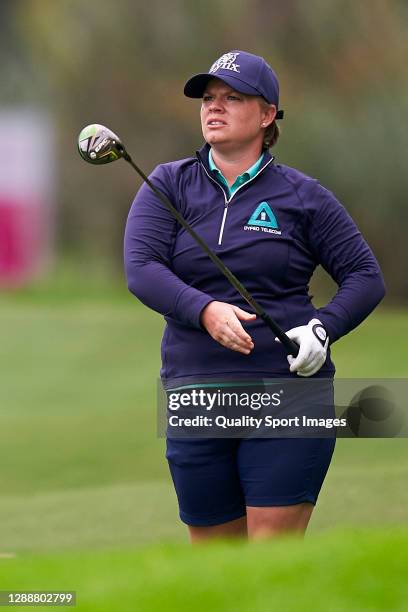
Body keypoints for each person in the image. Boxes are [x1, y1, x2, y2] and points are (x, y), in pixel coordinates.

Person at [124, 50, 385, 543]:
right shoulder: (167, 184)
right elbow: (142, 269)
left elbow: (365, 276)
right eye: (208, 98)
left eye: (233, 98)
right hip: (197, 395)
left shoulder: (302, 195)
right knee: (218, 569)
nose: (213, 108)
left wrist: (323, 330)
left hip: (288, 392)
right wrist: (203, 309)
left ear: (267, 115)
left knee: (270, 563)